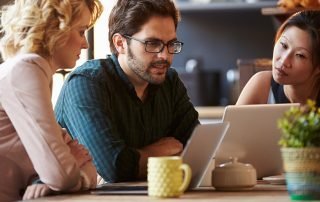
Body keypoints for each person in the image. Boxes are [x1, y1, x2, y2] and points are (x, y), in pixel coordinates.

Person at [54, 0, 199, 183]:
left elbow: (197, 152)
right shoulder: (86, 83)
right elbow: (113, 167)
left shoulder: (170, 82)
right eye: (152, 44)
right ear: (120, 43)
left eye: (171, 44)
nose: (164, 55)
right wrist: (158, 153)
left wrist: (137, 158)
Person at [0, 0, 103, 200]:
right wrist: (69, 175)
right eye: (81, 32)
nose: (86, 43)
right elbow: (61, 175)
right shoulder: (26, 69)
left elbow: (87, 165)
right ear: (55, 29)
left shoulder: (35, 72)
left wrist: (66, 173)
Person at [236, 10, 320, 107]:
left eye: (300, 55)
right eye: (284, 45)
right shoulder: (262, 87)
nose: (284, 61)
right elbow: (233, 122)